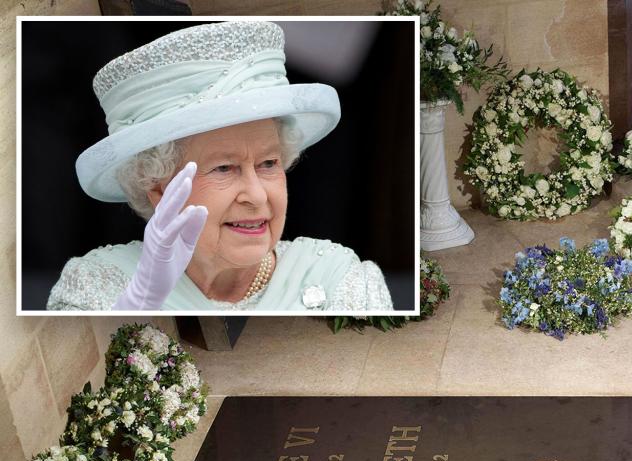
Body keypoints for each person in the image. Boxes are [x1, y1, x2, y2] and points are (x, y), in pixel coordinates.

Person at [47, 21, 394, 312]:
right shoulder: (92, 287)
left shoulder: (344, 280)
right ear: (157, 187)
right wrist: (140, 303)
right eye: (224, 169)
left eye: (269, 163)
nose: (258, 196)